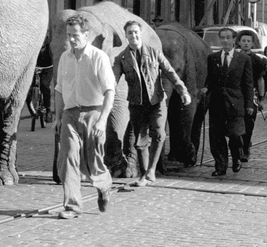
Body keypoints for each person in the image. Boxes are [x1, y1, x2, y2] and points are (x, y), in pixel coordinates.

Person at [49, 13, 116, 219]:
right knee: (68, 158)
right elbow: (59, 89)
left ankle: (104, 186)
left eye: (75, 35)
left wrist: (103, 120)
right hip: (70, 114)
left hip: (93, 113)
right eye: (69, 35)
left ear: (86, 35)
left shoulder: (98, 57)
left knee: (93, 163)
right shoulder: (64, 59)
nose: (71, 39)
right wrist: (58, 117)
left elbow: (109, 91)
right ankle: (72, 206)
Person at [113, 19, 191, 189]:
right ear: (126, 36)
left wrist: (183, 91)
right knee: (140, 140)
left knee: (159, 133)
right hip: (136, 103)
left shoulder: (154, 53)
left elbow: (170, 72)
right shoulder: (122, 58)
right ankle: (144, 173)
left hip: (157, 101)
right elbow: (113, 80)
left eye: (135, 32)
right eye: (129, 33)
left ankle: (151, 171)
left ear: (140, 34)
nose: (133, 35)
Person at [201, 26, 254, 177]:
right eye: (222, 38)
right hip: (217, 103)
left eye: (228, 37)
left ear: (233, 40)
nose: (225, 41)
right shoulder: (213, 58)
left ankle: (237, 156)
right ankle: (221, 166)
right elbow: (210, 80)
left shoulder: (244, 59)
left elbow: (248, 84)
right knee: (216, 137)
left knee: (235, 135)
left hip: (236, 104)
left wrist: (249, 104)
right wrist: (206, 88)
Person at [238, 32, 267, 163]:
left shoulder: (257, 60)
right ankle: (239, 147)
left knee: (248, 124)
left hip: (252, 96)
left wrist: (261, 99)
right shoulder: (234, 57)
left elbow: (260, 80)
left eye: (248, 41)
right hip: (236, 95)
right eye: (243, 40)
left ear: (252, 43)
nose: (246, 43)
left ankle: (245, 149)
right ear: (239, 42)